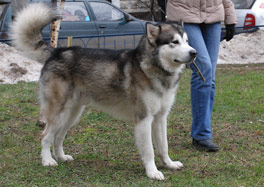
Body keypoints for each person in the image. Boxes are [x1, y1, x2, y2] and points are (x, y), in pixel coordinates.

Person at [164, 0, 237, 151]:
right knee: (203, 69)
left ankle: (201, 133)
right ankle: (202, 135)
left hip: (213, 14)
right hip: (183, 13)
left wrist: (230, 18)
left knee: (210, 77)